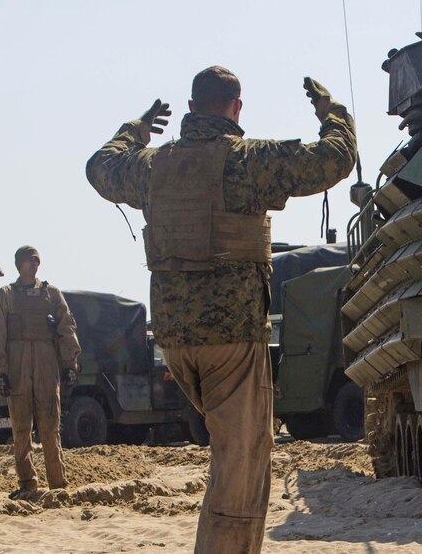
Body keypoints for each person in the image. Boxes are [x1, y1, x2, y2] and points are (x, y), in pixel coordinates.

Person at [86, 66, 356, 553]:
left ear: (190, 110)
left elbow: (100, 167)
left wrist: (137, 129)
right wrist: (331, 112)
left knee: (229, 458)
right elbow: (335, 160)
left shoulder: (152, 165)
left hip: (174, 341)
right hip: (232, 338)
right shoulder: (248, 160)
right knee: (243, 466)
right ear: (236, 109)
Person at [0, 245, 81, 499]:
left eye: (36, 261)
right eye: (29, 261)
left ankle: (57, 483)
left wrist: (70, 364)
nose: (34, 265)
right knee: (21, 427)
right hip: (17, 363)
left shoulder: (51, 294)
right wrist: (0, 371)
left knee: (50, 424)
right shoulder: (5, 295)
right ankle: (27, 482)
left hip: (46, 362)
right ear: (19, 265)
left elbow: (67, 328)